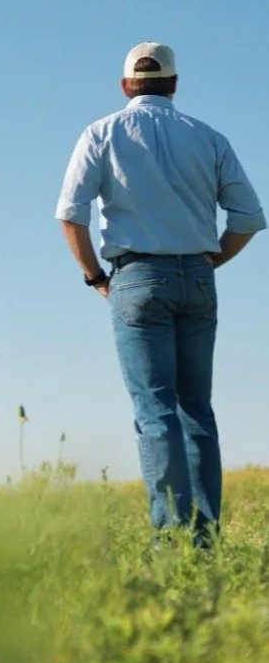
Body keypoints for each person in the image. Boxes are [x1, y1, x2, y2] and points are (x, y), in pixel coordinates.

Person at [55, 42, 265, 546]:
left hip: (137, 278)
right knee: (198, 410)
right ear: (173, 85)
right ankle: (205, 542)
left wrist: (95, 277)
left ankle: (171, 543)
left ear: (127, 85)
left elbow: (71, 213)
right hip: (197, 277)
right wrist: (211, 259)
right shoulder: (208, 137)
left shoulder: (101, 132)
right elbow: (250, 219)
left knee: (156, 412)